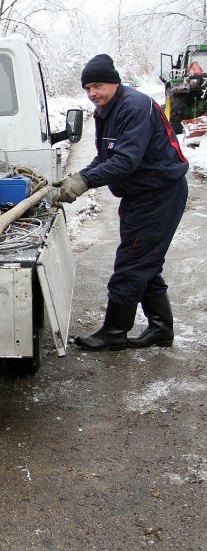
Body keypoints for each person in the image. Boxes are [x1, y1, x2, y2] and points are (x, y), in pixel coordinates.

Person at [53, 54, 189, 351]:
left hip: (159, 194)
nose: (92, 94)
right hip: (140, 194)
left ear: (114, 82)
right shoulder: (108, 109)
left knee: (131, 263)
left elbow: (125, 161)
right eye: (87, 88)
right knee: (145, 262)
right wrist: (78, 176)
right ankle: (161, 329)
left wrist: (83, 183)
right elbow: (106, 157)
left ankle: (115, 331)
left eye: (97, 85)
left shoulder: (134, 107)